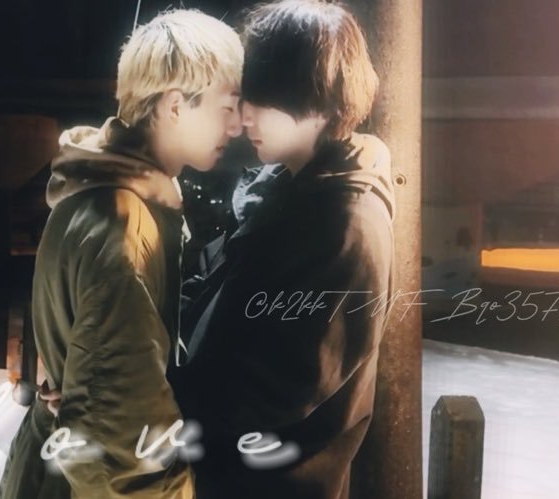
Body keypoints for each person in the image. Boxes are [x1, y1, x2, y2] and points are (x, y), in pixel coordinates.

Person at [0, 9, 245, 499]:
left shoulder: (100, 194)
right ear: (175, 106)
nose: (237, 125)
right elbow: (121, 450)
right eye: (227, 106)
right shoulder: (124, 224)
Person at [170, 2, 397, 498]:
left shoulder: (345, 223)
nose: (243, 117)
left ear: (318, 100)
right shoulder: (287, 189)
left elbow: (278, 391)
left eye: (261, 99)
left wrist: (154, 402)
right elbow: (210, 296)